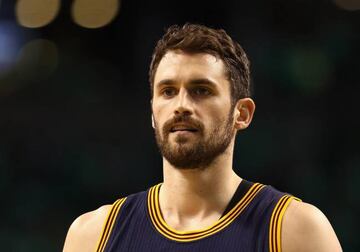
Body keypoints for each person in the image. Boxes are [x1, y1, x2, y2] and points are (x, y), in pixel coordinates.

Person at [63, 23, 342, 252]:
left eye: (201, 90)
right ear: (152, 113)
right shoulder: (93, 236)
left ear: (241, 113)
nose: (181, 105)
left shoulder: (296, 231)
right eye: (168, 91)